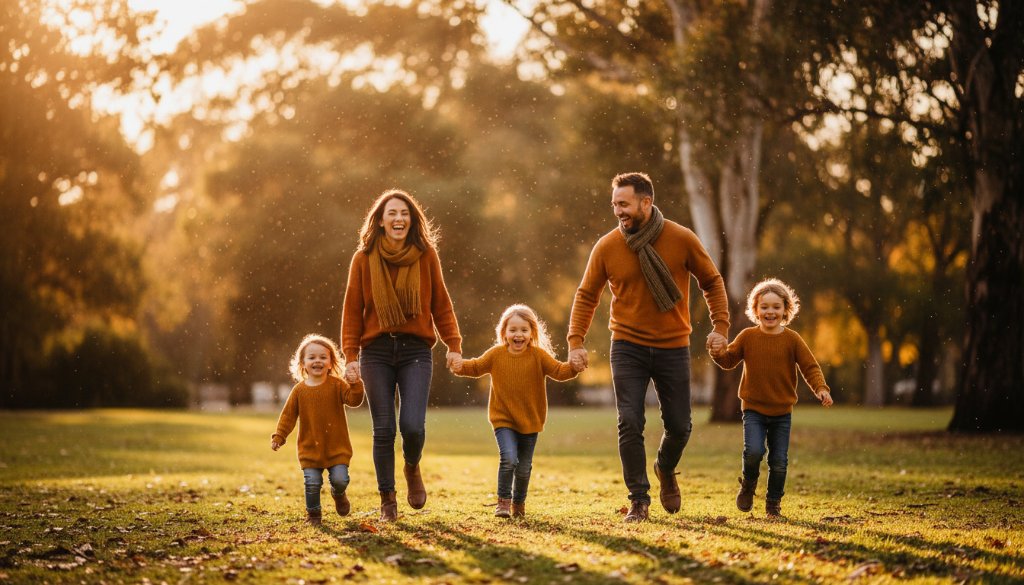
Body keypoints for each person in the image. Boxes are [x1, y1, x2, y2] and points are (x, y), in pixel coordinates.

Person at [567, 172, 730, 522]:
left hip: (673, 345)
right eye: (614, 205)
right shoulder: (607, 246)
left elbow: (712, 282)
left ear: (646, 202)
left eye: (623, 204)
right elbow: (586, 295)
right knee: (629, 421)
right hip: (627, 346)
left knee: (680, 426)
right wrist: (575, 342)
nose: (618, 212)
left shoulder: (681, 238)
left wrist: (721, 327)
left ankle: (665, 468)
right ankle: (638, 499)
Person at [341, 189, 462, 522]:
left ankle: (411, 465)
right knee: (383, 429)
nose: (398, 219)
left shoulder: (426, 255)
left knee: (412, 425)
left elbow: (441, 303)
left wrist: (454, 345)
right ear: (380, 220)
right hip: (375, 351)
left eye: (404, 213)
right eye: (392, 213)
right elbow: (352, 310)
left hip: (416, 351)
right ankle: (388, 500)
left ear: (412, 220)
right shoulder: (363, 259)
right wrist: (350, 354)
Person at [708, 278, 832, 518]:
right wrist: (717, 353)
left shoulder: (792, 339)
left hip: (782, 412)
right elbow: (728, 360)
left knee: (779, 462)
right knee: (753, 451)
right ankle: (748, 484)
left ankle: (773, 504)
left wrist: (821, 388)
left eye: (776, 307)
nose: (770, 312)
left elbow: (810, 367)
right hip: (753, 409)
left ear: (786, 309)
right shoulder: (747, 336)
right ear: (755, 310)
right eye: (764, 307)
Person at [449, 304, 583, 519]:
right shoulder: (496, 355)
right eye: (513, 330)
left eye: (523, 330)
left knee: (524, 467)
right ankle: (503, 502)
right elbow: (475, 367)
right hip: (503, 419)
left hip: (530, 419)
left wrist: (574, 366)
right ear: (504, 333)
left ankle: (518, 504)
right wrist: (459, 365)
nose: (518, 334)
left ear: (532, 333)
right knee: (509, 459)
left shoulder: (538, 356)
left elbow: (559, 371)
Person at [271, 334, 365, 526]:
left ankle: (338, 494)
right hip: (310, 448)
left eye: (323, 357)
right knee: (312, 484)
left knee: (340, 479)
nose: (317, 361)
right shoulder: (299, 391)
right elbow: (288, 416)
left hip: (336, 447)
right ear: (303, 363)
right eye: (312, 357)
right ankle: (314, 516)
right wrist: (279, 436)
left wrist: (355, 384)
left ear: (331, 362)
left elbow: (354, 401)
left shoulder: (338, 385)